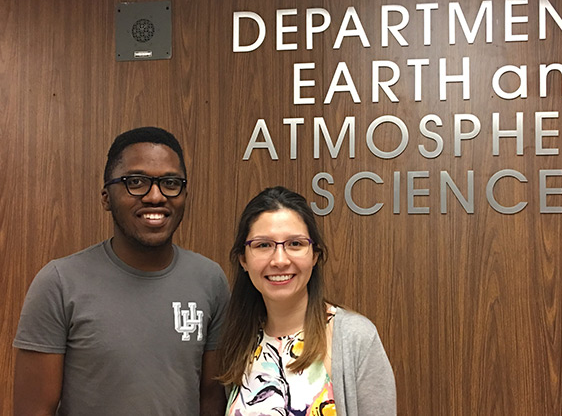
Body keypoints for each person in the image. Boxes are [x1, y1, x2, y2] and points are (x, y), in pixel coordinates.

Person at [13, 127, 230, 416]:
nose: (156, 196)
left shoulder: (210, 280)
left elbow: (212, 401)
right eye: (136, 182)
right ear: (106, 197)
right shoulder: (59, 283)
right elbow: (34, 410)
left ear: (184, 194)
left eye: (170, 182)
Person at [217, 186, 396, 416]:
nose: (280, 260)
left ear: (315, 256)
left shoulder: (355, 337)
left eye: (295, 244)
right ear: (243, 259)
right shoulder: (238, 342)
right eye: (263, 245)